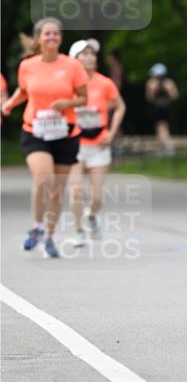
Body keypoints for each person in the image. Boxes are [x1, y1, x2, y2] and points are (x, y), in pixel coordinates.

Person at [1, 18, 87, 258]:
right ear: (38, 39)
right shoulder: (27, 66)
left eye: (56, 33)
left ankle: (49, 235)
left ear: (60, 38)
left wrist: (67, 103)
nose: (52, 37)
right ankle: (37, 225)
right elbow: (24, 90)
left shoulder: (72, 66)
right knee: (44, 178)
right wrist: (9, 104)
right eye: (47, 34)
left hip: (65, 133)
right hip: (35, 131)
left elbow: (84, 98)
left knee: (56, 189)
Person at [68, 39, 126, 246]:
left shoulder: (105, 83)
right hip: (75, 145)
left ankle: (91, 216)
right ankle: (78, 231)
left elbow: (120, 107)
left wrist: (112, 132)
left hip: (99, 145)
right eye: (84, 54)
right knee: (75, 191)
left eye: (92, 54)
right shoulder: (68, 84)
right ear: (74, 59)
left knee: (97, 197)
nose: (90, 57)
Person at [145, 63, 178, 153]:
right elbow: (175, 96)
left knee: (161, 126)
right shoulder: (169, 82)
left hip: (160, 107)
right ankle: (163, 145)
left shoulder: (152, 83)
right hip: (164, 107)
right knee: (162, 126)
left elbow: (149, 97)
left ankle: (166, 145)